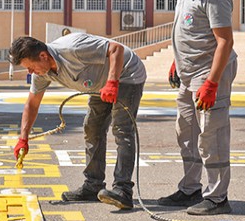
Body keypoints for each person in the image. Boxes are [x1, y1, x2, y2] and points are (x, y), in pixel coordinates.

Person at [9, 33, 146, 210]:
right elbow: (32, 104)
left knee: (122, 129)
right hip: (100, 83)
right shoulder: (42, 73)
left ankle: (123, 190)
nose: (30, 72)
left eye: (30, 67)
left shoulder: (72, 48)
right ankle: (93, 185)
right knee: (92, 127)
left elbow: (116, 49)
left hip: (126, 73)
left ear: (43, 56)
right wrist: (23, 139)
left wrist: (113, 81)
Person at [158, 0, 238, 215]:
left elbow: (224, 42)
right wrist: (176, 61)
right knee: (187, 133)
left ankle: (217, 197)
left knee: (211, 136)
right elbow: (188, 32)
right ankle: (190, 189)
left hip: (208, 75)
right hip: (187, 73)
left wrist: (212, 83)